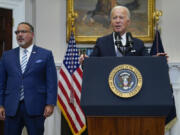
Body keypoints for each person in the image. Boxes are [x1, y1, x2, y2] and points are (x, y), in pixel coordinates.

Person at [0, 22, 57, 135]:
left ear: (32, 34)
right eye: (17, 32)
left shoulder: (45, 54)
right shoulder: (7, 55)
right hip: (11, 107)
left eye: (23, 31)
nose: (19, 34)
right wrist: (0, 104)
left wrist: (50, 103)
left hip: (36, 106)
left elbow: (51, 81)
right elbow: (1, 81)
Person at [79, 5, 167, 64]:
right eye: (114, 18)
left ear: (128, 22)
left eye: (121, 18)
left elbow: (148, 61)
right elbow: (91, 63)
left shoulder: (138, 44)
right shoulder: (102, 42)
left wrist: (157, 59)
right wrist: (85, 60)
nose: (117, 21)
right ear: (111, 22)